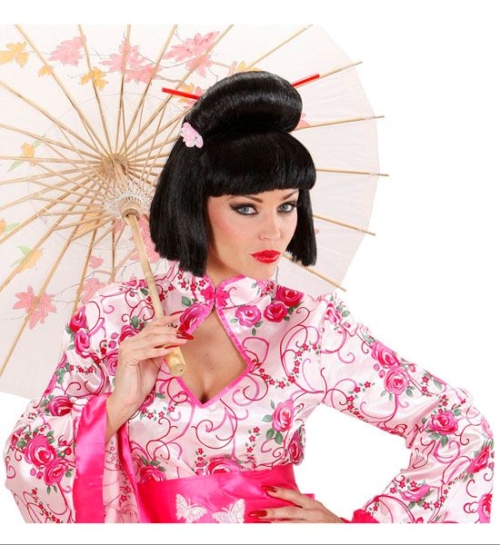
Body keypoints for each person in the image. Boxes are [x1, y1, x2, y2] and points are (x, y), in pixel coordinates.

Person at [3, 70, 494, 524]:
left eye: (287, 206)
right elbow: (26, 460)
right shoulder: (114, 317)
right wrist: (118, 403)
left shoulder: (308, 328)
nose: (274, 231)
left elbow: (458, 428)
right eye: (246, 208)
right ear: (194, 204)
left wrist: (359, 529)